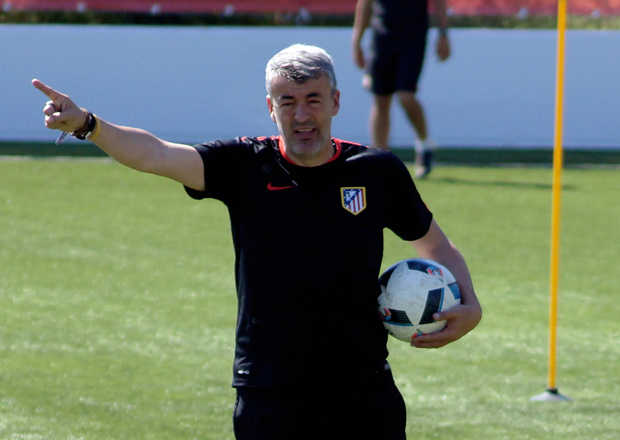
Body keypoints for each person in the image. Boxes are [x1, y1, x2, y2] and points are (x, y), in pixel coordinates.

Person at [33, 44, 481, 440]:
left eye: (313, 100)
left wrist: (471, 304)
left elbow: (437, 247)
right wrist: (88, 124)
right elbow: (155, 154)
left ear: (335, 102)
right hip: (269, 389)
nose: (301, 115)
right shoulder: (243, 164)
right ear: (270, 107)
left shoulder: (377, 171)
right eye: (288, 102)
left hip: (363, 387)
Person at [352, 0, 451, 178]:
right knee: (381, 99)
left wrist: (443, 33)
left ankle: (424, 143)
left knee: (406, 96)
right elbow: (365, 4)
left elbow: (439, 2)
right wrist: (356, 42)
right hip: (381, 37)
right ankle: (380, 161)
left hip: (412, 38)